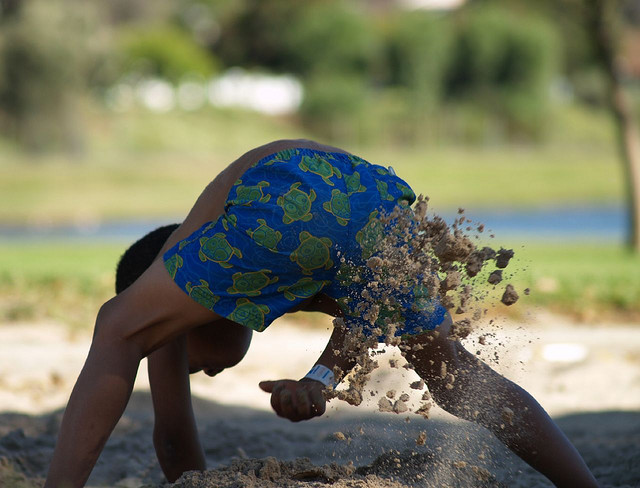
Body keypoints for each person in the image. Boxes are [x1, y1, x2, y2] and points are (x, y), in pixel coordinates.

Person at [44, 139, 600, 487]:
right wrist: (320, 378)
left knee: (116, 327)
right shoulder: (269, 272)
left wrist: (192, 482)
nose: (204, 370)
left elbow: (173, 435)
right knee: (454, 376)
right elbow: (368, 299)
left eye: (194, 365)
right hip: (380, 200)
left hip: (283, 185)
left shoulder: (180, 275)